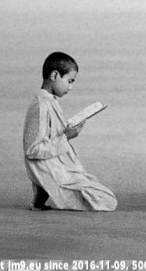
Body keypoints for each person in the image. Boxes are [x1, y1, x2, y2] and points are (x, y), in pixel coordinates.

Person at [23, 52, 117, 211]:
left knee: (99, 192)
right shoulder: (40, 105)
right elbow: (32, 150)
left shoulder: (50, 101)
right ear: (54, 75)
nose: (71, 87)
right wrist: (65, 137)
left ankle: (43, 196)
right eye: (69, 81)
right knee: (105, 201)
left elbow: (50, 135)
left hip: (58, 166)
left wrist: (68, 130)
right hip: (50, 168)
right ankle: (46, 189)